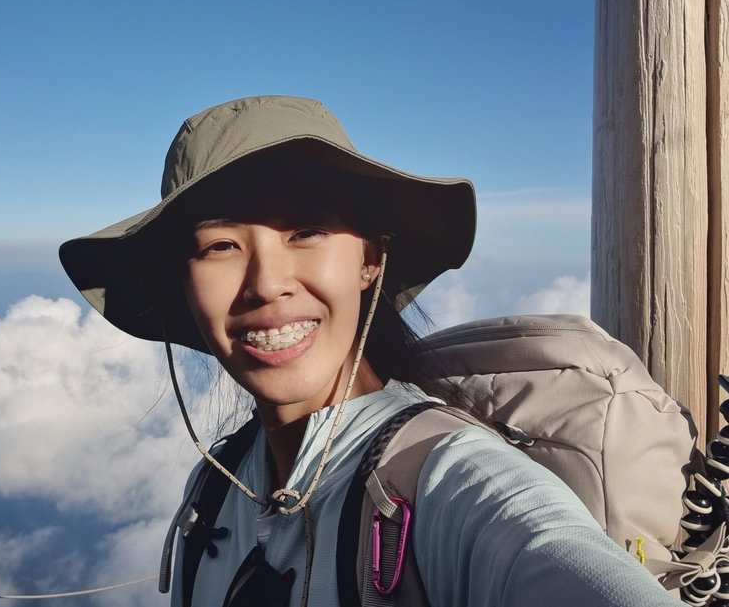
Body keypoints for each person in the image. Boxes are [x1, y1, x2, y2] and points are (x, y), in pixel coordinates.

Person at [59, 95, 673, 606]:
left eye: (307, 232)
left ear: (370, 260)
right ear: (182, 286)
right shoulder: (216, 486)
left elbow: (549, 552)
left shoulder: (452, 484)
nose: (267, 283)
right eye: (219, 246)